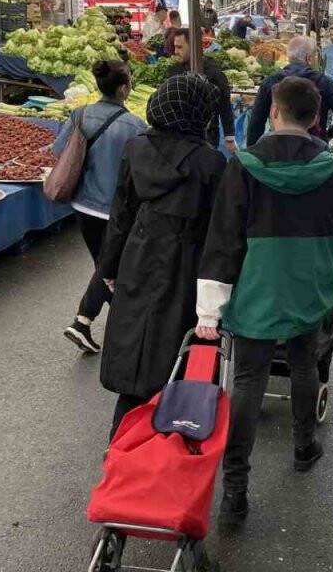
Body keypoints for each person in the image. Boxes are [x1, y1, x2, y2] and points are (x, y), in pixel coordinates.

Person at [195, 76, 333, 529]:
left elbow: (223, 240)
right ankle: (303, 446)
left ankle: (235, 491)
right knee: (304, 364)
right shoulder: (329, 168)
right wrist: (329, 279)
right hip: (308, 283)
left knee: (247, 379)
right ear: (316, 118)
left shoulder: (244, 166)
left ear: (274, 112)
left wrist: (210, 309)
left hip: (256, 283)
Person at [95, 73, 229, 438]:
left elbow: (120, 214)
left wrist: (109, 267)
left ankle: (122, 437)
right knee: (176, 349)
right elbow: (218, 231)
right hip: (186, 263)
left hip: (138, 254)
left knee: (134, 340)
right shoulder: (210, 163)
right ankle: (168, 437)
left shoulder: (136, 148)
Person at [55, 60, 149, 353]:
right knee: (109, 267)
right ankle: (86, 322)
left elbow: (59, 150)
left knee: (106, 264)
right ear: (123, 89)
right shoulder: (135, 126)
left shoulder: (80, 114)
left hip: (83, 206)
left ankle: (94, 323)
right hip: (115, 211)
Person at [246, 36, 333, 147]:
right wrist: (330, 134)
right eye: (315, 56)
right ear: (309, 59)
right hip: (314, 147)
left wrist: (252, 149)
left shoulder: (272, 81)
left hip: (278, 147)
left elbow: (256, 121)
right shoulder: (323, 81)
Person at [170, 29, 236, 154]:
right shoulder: (174, 72)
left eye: (179, 47)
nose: (175, 51)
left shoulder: (213, 72)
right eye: (175, 47)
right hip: (179, 137)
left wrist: (229, 138)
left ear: (194, 47)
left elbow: (224, 105)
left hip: (208, 137)